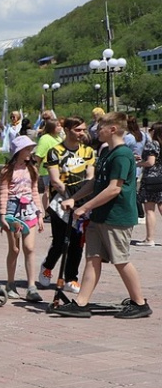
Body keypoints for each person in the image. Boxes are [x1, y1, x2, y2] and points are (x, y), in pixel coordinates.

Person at [51, 113, 152, 319]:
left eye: (100, 126)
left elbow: (114, 189)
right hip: (100, 216)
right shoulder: (106, 152)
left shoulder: (122, 155)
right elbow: (96, 183)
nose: (95, 130)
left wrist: (85, 207)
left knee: (120, 260)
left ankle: (140, 303)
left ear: (113, 129)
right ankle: (81, 303)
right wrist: (75, 199)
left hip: (117, 216)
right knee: (92, 258)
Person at [37, 117, 96, 293]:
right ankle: (48, 266)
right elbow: (55, 180)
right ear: (68, 130)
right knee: (61, 241)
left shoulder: (88, 151)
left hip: (81, 202)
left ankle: (71, 278)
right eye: (78, 130)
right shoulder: (55, 151)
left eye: (84, 129)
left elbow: (90, 176)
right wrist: (67, 196)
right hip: (60, 202)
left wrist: (80, 199)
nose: (82, 133)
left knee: (77, 242)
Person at [0, 135, 45, 301]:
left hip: (29, 209)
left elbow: (35, 191)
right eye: (27, 149)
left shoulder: (32, 169)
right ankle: (10, 283)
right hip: (12, 211)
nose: (30, 151)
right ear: (18, 151)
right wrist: (3, 214)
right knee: (15, 249)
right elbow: (3, 193)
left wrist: (39, 212)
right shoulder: (7, 171)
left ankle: (32, 286)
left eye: (30, 148)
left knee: (29, 248)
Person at [137, 123, 162, 247]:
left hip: (152, 179)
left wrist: (138, 163)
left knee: (150, 209)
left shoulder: (152, 144)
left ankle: (149, 238)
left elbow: (150, 162)